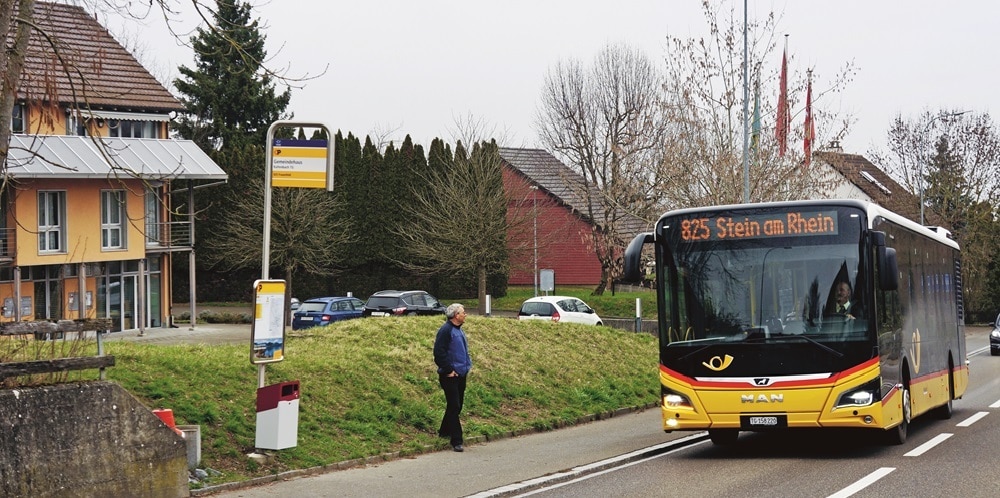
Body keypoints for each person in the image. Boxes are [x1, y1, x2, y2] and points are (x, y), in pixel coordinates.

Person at [433, 303, 472, 452]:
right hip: (450, 375)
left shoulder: (458, 330)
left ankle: (444, 432)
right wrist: (448, 369)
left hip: (461, 374)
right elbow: (439, 353)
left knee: (456, 405)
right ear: (456, 315)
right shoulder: (446, 330)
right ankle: (456, 440)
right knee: (454, 405)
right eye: (463, 312)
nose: (465, 314)